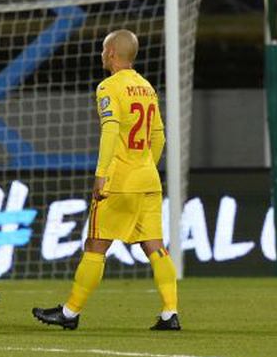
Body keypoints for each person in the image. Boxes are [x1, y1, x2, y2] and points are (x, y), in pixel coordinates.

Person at [33, 29, 178, 331]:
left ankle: (70, 313)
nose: (101, 55)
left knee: (95, 246)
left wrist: (102, 174)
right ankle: (170, 312)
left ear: (111, 52)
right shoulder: (147, 87)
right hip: (148, 180)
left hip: (119, 181)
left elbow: (111, 131)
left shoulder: (108, 87)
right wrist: (145, 166)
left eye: (103, 50)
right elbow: (159, 135)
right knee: (156, 247)